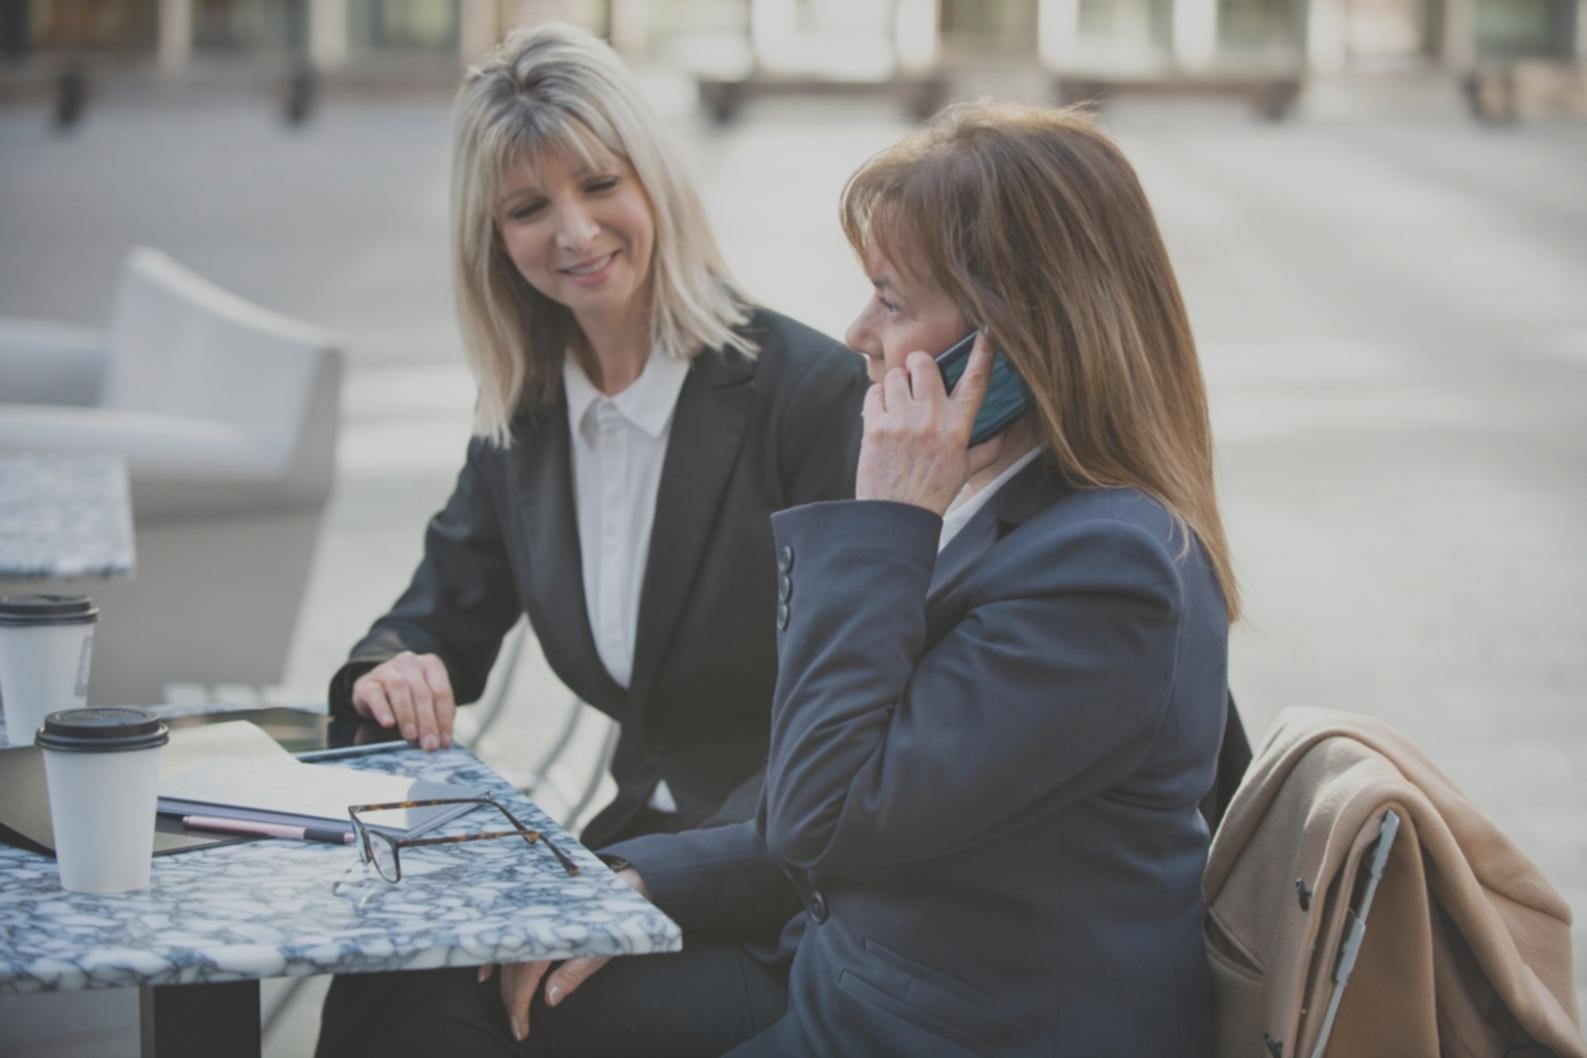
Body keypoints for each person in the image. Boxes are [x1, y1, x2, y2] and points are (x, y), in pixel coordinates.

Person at [350, 100, 1239, 1058]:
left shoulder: (1105, 569)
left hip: (933, 1024)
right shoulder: (1007, 514)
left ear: (1014, 343)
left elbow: (820, 804)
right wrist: (645, 876)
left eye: (891, 302)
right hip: (861, 976)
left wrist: (882, 525)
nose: (857, 330)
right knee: (436, 989)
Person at [312, 24, 864, 1058]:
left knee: (543, 1016)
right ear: (495, 238)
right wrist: (391, 673)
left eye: (598, 184)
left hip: (787, 885)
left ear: (652, 182)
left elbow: (847, 727)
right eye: (528, 208)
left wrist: (634, 887)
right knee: (391, 977)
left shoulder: (810, 393)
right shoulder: (527, 417)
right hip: (625, 844)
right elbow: (434, 612)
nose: (572, 232)